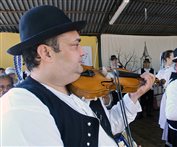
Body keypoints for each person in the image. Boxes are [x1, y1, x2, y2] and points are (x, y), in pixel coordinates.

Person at [0, 5, 155, 146]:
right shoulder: (21, 107)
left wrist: (135, 95)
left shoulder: (77, 89)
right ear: (46, 53)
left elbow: (109, 126)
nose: (82, 52)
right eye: (75, 45)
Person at [156, 50, 175, 147]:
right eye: (173, 56)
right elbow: (156, 82)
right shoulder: (162, 71)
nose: (175, 58)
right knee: (169, 117)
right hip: (168, 96)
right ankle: (169, 141)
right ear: (167, 59)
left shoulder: (176, 69)